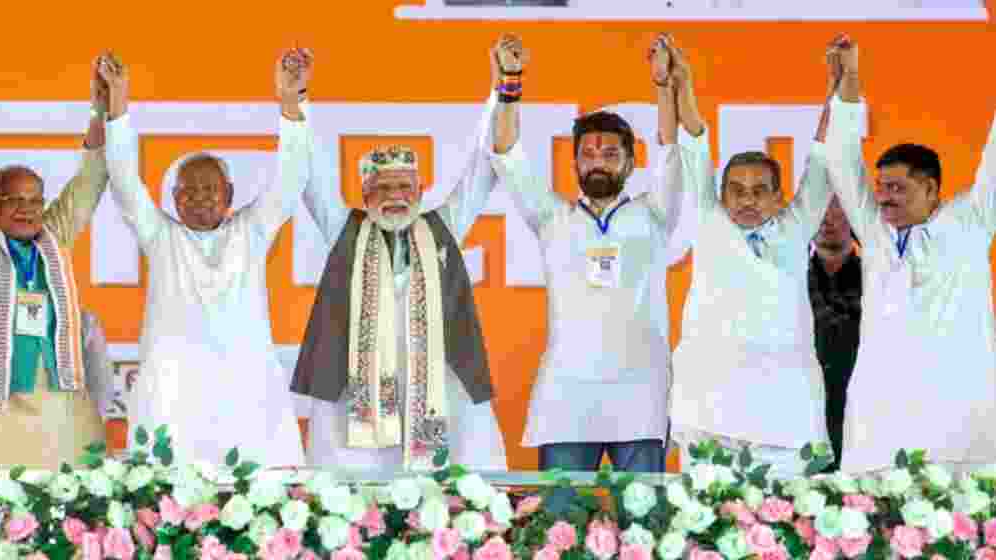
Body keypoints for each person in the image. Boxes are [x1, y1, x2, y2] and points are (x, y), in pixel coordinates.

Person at [291, 40, 508, 472]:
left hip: (435, 387)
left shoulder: (442, 226)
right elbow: (309, 169)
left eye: (404, 187)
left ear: (420, 192)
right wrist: (298, 101)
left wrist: (501, 90)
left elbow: (481, 168)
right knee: (354, 501)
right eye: (383, 189)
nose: (394, 197)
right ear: (364, 194)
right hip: (355, 394)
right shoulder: (346, 228)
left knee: (448, 493)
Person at [489, 34, 701, 472]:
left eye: (609, 153)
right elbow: (507, 153)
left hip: (641, 395)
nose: (597, 161)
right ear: (575, 164)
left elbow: (671, 151)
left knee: (647, 528)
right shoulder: (553, 218)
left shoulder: (654, 216)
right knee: (559, 529)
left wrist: (664, 88)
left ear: (629, 162)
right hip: (567, 398)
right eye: (587, 154)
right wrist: (510, 82)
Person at [97, 50, 310, 466]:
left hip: (247, 396)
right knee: (166, 507)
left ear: (229, 195)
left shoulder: (251, 230)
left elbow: (291, 179)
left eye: (210, 190)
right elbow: (124, 181)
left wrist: (291, 103)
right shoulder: (161, 236)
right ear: (173, 199)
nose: (200, 199)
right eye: (188, 192)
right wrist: (118, 103)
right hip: (174, 394)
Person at [824, 35, 996, 473]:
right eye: (881, 188)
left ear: (933, 189)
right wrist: (849, 83)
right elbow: (843, 161)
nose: (884, 198)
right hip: (880, 419)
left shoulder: (970, 222)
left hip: (958, 421)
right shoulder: (876, 232)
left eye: (898, 188)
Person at [670, 36, 839, 479]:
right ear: (721, 195)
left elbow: (821, 157)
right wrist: (682, 83)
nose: (747, 200)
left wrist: (839, 86)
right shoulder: (708, 222)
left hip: (783, 411)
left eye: (760, 190)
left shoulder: (796, 226)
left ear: (779, 196)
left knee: (783, 536)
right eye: (737, 191)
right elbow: (692, 142)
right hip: (710, 410)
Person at [0, 53, 110, 468]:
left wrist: (101, 111)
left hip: (55, 410)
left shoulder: (53, 237)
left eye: (35, 200)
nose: (27, 209)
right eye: (13, 200)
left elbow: (89, 182)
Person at [808, 198, 861, 471]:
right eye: (821, 207)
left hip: (865, 419)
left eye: (838, 206)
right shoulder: (786, 278)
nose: (828, 218)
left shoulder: (883, 276)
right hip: (803, 420)